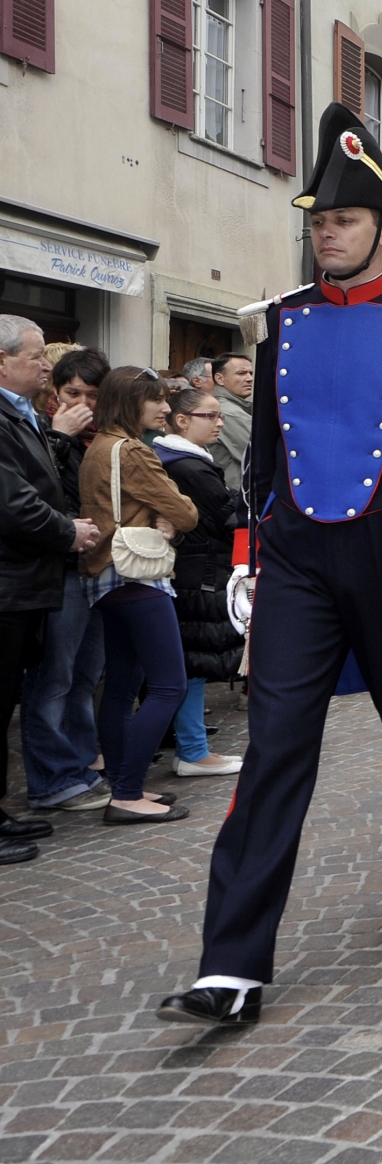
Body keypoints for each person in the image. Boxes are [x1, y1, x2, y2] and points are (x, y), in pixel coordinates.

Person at [156, 104, 382, 1027]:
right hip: (298, 552)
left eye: (342, 220)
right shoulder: (277, 322)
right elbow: (260, 460)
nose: (326, 234)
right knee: (273, 746)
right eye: (317, 222)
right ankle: (231, 963)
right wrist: (243, 556)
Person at [79, 366, 201, 825]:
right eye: (157, 400)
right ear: (133, 404)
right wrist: (166, 519)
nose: (166, 408)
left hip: (105, 577)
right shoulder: (132, 451)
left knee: (122, 687)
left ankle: (124, 783)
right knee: (170, 684)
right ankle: (127, 794)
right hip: (136, 578)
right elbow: (186, 513)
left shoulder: (99, 447)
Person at [0, 315, 98, 861]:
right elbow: (14, 502)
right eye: (35, 356)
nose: (45, 364)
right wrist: (68, 531)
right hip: (12, 577)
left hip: (23, 581)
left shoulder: (21, 416)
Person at [19, 346, 111, 813]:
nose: (83, 404)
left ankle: (78, 765)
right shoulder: (40, 429)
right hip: (58, 570)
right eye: (73, 392)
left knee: (83, 675)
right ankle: (51, 780)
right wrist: (58, 438)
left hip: (93, 567)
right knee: (51, 678)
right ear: (55, 391)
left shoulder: (102, 437)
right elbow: (38, 495)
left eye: (93, 394)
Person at [153, 386, 246, 776]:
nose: (220, 422)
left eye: (220, 415)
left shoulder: (188, 460)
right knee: (190, 663)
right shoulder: (186, 466)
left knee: (185, 664)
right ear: (181, 421)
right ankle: (192, 750)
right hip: (197, 572)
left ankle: (189, 745)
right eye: (211, 416)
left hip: (198, 569)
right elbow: (229, 516)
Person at [209, 352, 253, 491]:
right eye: (241, 373)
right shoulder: (230, 413)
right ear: (219, 379)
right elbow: (260, 457)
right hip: (237, 495)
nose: (249, 378)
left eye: (250, 373)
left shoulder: (233, 409)